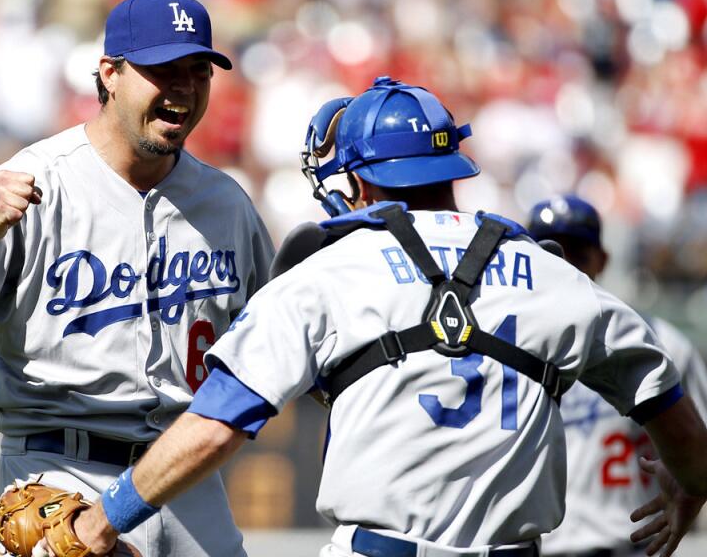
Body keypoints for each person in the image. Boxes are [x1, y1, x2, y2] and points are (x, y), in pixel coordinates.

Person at [50, 76, 706, 557]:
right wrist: (691, 493)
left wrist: (105, 519)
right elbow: (673, 412)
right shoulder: (558, 278)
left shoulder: (328, 274)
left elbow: (217, 426)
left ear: (360, 183)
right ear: (452, 170)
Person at [0, 0, 274, 555]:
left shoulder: (226, 203)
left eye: (197, 72)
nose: (183, 88)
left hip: (188, 479)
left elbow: (276, 343)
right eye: (163, 71)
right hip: (64, 474)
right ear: (109, 74)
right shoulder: (34, 182)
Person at [526, 195, 707, 557]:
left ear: (603, 259)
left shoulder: (662, 343)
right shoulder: (514, 345)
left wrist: (693, 481)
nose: (564, 263)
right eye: (549, 251)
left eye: (577, 250)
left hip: (631, 545)